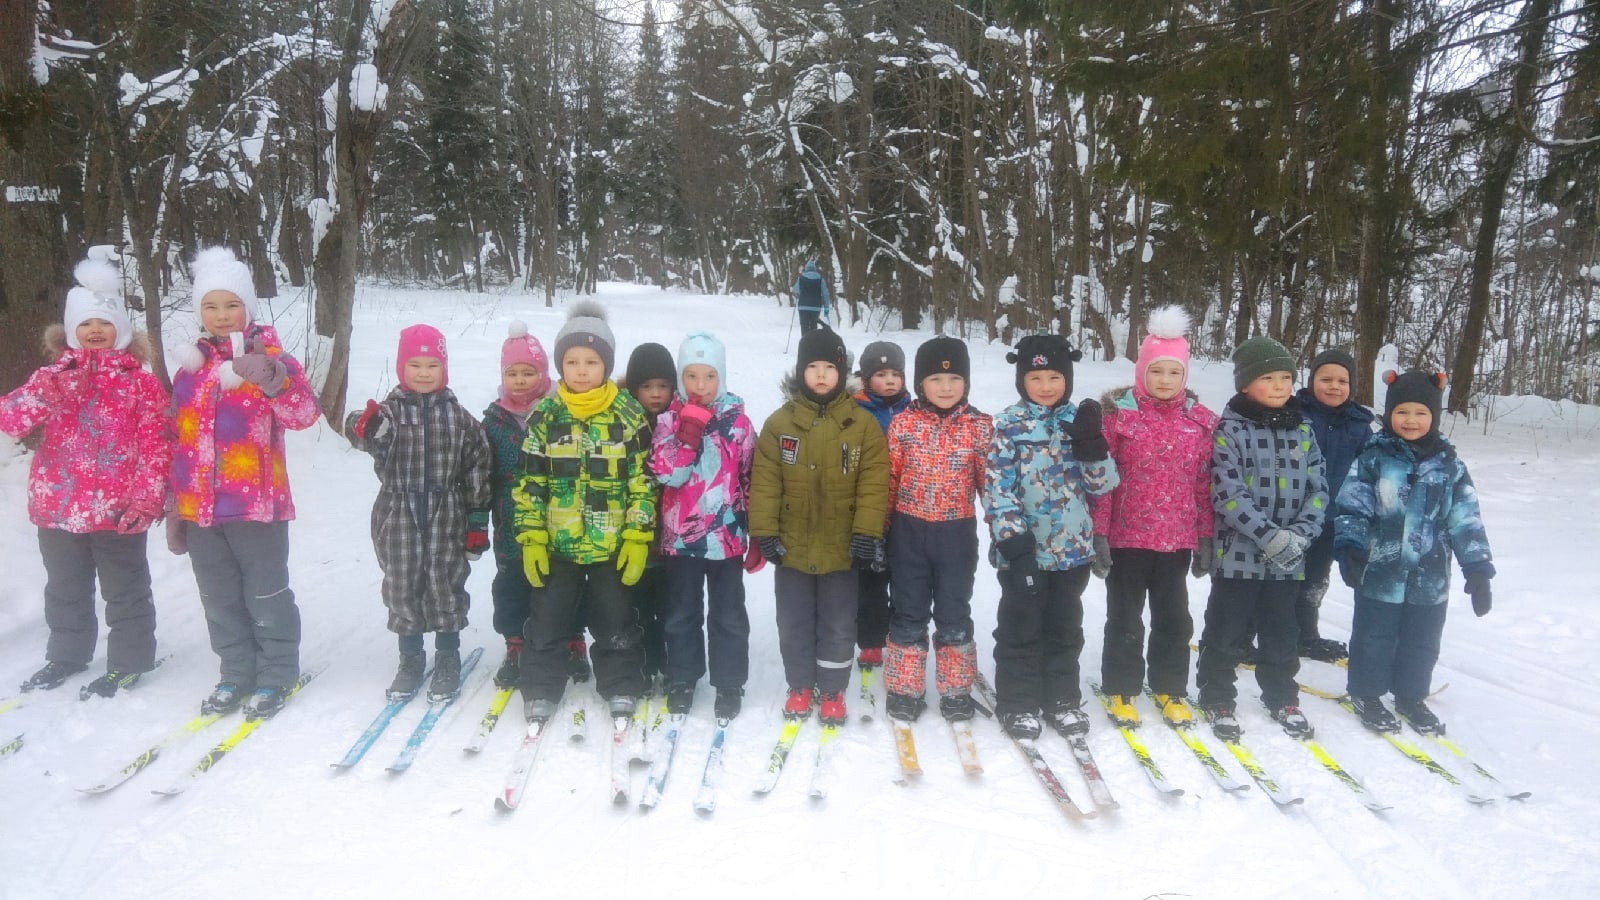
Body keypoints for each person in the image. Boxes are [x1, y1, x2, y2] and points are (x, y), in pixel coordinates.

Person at [1, 258, 172, 698]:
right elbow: (11, 420)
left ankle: (130, 659)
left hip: (118, 510)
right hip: (57, 506)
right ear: (70, 330)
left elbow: (157, 446)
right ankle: (67, 654)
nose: (95, 330)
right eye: (86, 323)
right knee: (64, 588)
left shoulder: (142, 385)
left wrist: (147, 500)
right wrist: (49, 388)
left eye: (105, 322)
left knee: (125, 589)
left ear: (122, 329)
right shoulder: (53, 377)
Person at [170, 247, 320, 719]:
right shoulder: (188, 370)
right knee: (217, 596)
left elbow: (303, 415)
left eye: (231, 305)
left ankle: (277, 673)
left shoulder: (272, 360)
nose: (220, 315)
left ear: (249, 309)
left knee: (266, 594)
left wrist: (274, 380)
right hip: (201, 511)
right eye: (210, 306)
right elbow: (179, 437)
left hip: (257, 507)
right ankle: (235, 672)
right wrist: (176, 503)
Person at [513, 300, 653, 723]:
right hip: (558, 544)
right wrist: (532, 536)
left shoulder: (628, 415)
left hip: (611, 543)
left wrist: (637, 534)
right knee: (548, 621)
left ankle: (622, 684)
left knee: (616, 619)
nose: (580, 370)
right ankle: (539, 688)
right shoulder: (546, 416)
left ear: (606, 365)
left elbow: (642, 481)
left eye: (591, 361)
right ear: (560, 365)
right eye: (571, 361)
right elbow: (530, 481)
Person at [1335, 370, 1494, 736]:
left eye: (1420, 413)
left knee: (1422, 640)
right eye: (1402, 412)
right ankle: (1367, 694)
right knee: (1373, 636)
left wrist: (1478, 569)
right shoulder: (1374, 457)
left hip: (1430, 574)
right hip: (1381, 570)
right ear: (1390, 414)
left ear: (1434, 417)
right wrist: (1350, 546)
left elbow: (1465, 518)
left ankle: (1410, 696)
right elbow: (1353, 506)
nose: (1410, 420)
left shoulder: (1450, 465)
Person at [346, 324, 493, 702]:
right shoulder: (390, 415)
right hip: (398, 512)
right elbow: (362, 431)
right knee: (402, 583)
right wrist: (363, 427)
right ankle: (410, 658)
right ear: (401, 367)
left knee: (445, 582)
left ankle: (447, 655)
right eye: (415, 364)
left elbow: (478, 466)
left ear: (444, 369)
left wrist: (477, 521)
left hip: (447, 511)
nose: (424, 372)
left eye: (432, 364)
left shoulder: (460, 418)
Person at [750, 325, 888, 725]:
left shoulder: (861, 426)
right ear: (800, 372)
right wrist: (766, 532)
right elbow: (764, 482)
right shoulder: (780, 424)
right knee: (792, 621)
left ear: (843, 373)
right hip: (792, 549)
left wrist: (865, 533)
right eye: (814, 367)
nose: (823, 374)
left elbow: (874, 483)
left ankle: (832, 688)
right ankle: (799, 684)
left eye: (831, 367)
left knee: (839, 622)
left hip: (842, 550)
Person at [983, 335, 1119, 740]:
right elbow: (996, 489)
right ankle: (1018, 702)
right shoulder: (1008, 425)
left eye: (1055, 376)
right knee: (1020, 627)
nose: (1046, 385)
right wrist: (1014, 544)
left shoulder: (1078, 420)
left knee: (1064, 628)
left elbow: (1102, 486)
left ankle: (1061, 698)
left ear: (1069, 378)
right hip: (1023, 553)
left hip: (1072, 553)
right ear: (1022, 379)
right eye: (1036, 376)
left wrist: (1092, 444)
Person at [1194, 336, 1327, 741]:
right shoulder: (1229, 429)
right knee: (1226, 629)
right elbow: (1226, 492)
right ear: (1245, 384)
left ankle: (1282, 695)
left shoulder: (1303, 429)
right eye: (1267, 377)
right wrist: (1267, 535)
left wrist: (1300, 536)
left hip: (1289, 559)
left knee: (1282, 631)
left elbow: (1319, 489)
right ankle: (1216, 694)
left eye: (1286, 377)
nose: (1279, 385)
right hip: (1239, 557)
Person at [1090, 307, 1217, 727]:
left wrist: (1206, 537)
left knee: (1174, 618)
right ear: (1143, 371)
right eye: (1157, 371)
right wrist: (1100, 534)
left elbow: (1204, 485)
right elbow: (1104, 480)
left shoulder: (1199, 424)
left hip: (1176, 541)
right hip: (1128, 539)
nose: (1165, 381)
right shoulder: (1119, 419)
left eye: (1174, 373)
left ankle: (1170, 686)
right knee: (1125, 617)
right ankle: (1122, 688)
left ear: (1185, 377)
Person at [649, 332, 761, 721]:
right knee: (682, 612)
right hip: (681, 540)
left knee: (728, 615)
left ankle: (729, 682)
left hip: (726, 540)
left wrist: (758, 532)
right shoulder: (667, 421)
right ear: (681, 378)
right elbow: (670, 475)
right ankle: (682, 677)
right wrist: (689, 431)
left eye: (709, 377)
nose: (699, 387)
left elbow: (751, 478)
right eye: (691, 376)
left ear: (722, 377)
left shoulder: (739, 423)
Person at [881, 337, 992, 723]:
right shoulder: (904, 424)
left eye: (955, 379)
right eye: (936, 379)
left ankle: (956, 689)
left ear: (966, 382)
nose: (946, 388)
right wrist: (880, 532)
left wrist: (1002, 533)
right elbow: (889, 481)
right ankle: (905, 688)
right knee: (909, 611)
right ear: (920, 383)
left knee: (953, 613)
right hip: (908, 533)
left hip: (957, 535)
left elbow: (988, 486)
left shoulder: (979, 427)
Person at [1290, 349, 1377, 662]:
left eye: (1342, 380)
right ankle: (1260, 630)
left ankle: (1306, 636)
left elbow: (1369, 470)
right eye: (1325, 379)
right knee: (1280, 576)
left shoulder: (1360, 425)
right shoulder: (1294, 413)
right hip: (1292, 516)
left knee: (1314, 579)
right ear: (1311, 380)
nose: (1334, 386)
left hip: (1331, 519)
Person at [480, 322, 554, 687]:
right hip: (509, 521)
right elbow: (481, 473)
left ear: (542, 375)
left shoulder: (559, 411)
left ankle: (568, 642)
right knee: (511, 586)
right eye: (513, 373)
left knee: (557, 585)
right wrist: (476, 521)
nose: (521, 380)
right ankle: (515, 645)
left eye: (529, 373)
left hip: (558, 519)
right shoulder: (493, 421)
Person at [620, 341, 678, 686]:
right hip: (634, 532)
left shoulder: (680, 421)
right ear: (633, 388)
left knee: (670, 603)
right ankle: (641, 660)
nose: (655, 394)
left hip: (672, 534)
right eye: (646, 387)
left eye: (663, 386)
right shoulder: (623, 422)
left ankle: (668, 660)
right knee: (636, 602)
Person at [851, 341, 911, 670]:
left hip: (906, 508)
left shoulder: (913, 410)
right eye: (881, 374)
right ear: (866, 378)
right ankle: (871, 640)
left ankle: (899, 634)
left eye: (895, 374)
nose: (889, 381)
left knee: (904, 577)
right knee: (870, 579)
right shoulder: (856, 411)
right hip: (870, 508)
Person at [791, 260, 831, 333]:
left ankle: (805, 342)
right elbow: (826, 295)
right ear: (814, 269)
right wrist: (826, 308)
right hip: (816, 307)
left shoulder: (801, 278)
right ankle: (813, 342)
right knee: (813, 326)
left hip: (803, 307)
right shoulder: (820, 279)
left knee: (804, 326)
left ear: (806, 269)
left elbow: (795, 290)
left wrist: (798, 293)